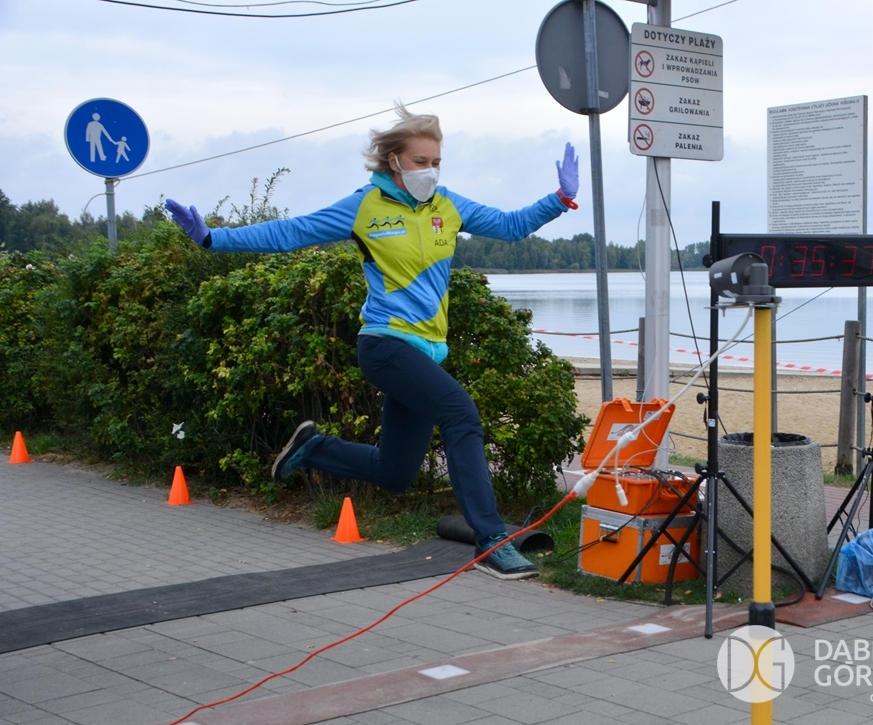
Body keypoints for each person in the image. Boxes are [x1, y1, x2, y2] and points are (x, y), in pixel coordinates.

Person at [165, 105, 579, 580]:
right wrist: (213, 239)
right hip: (385, 344)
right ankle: (491, 540)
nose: (430, 171)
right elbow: (292, 231)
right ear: (393, 160)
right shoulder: (365, 206)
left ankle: (313, 449)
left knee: (394, 473)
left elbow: (510, 225)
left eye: (436, 162)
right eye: (421, 161)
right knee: (460, 414)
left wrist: (560, 199)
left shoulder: (447, 205)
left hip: (425, 353)